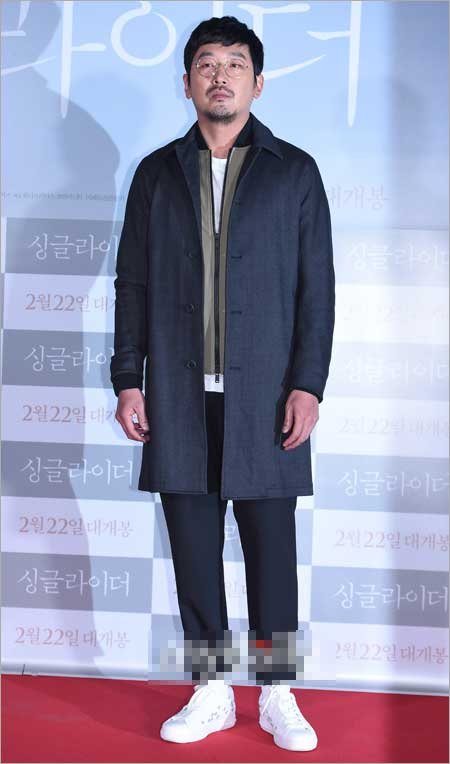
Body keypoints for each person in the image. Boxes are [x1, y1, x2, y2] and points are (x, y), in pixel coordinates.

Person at [110, 15, 335, 752]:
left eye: (235, 63)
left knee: (271, 548)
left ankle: (276, 692)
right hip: (179, 396)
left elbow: (317, 290)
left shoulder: (292, 172)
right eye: (207, 63)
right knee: (193, 548)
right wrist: (128, 377)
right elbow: (133, 283)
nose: (220, 75)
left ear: (257, 83)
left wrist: (307, 384)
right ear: (186, 83)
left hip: (266, 394)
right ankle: (209, 688)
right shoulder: (157, 174)